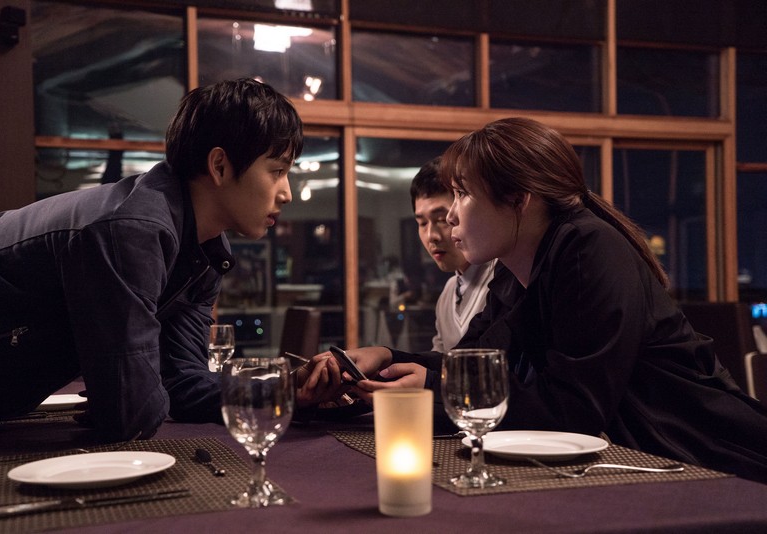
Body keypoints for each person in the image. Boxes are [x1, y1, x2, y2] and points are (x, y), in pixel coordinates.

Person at [308, 117, 767, 483]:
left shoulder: (588, 248)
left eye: (462, 194)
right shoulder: (514, 270)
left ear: (518, 199)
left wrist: (430, 387)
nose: (451, 216)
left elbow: (572, 410)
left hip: (707, 461)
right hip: (639, 461)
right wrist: (387, 358)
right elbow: (471, 364)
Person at [0, 78, 305, 442]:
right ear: (220, 165)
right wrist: (130, 395)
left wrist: (288, 390)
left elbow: (185, 382)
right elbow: (132, 414)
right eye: (277, 171)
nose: (287, 193)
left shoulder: (204, 250)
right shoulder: (132, 231)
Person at [411, 156, 495, 352]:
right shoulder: (448, 292)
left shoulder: (504, 280)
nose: (431, 236)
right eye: (422, 223)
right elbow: (437, 361)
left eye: (442, 219)